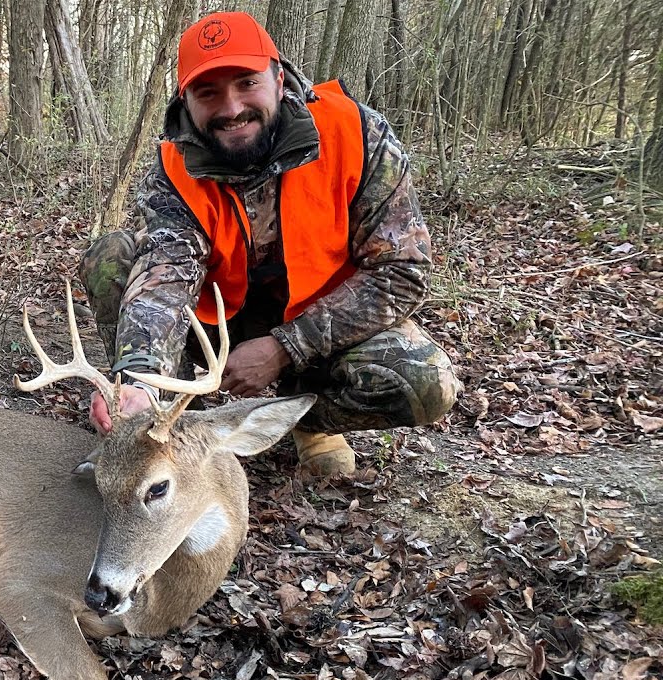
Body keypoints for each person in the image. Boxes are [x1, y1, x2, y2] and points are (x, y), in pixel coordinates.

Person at [79, 11, 461, 477]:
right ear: (186, 103)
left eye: (246, 83)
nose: (231, 107)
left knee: (423, 381)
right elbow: (165, 275)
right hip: (215, 327)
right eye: (208, 92)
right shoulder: (173, 169)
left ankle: (307, 421)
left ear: (280, 79)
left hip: (320, 330)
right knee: (112, 257)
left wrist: (284, 348)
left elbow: (401, 272)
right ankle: (166, 420)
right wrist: (137, 378)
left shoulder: (355, 135)